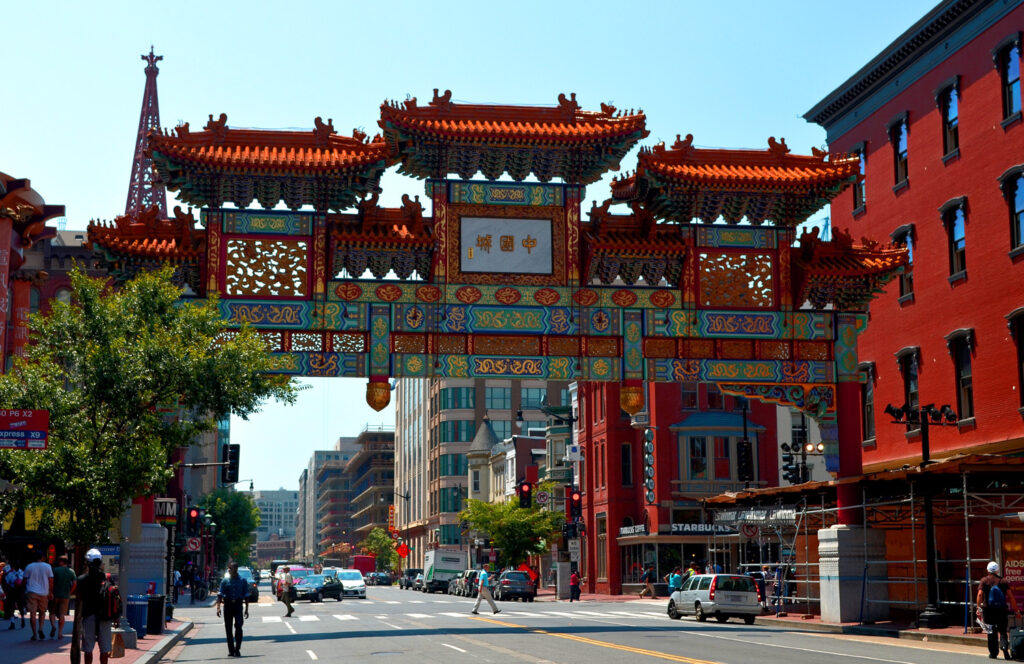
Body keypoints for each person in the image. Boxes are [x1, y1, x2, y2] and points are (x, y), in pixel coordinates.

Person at [79, 548, 119, 664]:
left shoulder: (82, 579)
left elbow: (79, 599)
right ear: (100, 561)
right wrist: (116, 617)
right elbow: (114, 597)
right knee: (104, 649)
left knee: (88, 649)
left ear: (87, 562)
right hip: (105, 616)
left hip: (88, 616)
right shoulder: (107, 577)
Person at [977, 561, 1022, 660]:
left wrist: (978, 607)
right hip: (1001, 610)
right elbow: (1011, 597)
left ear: (988, 570)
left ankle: (993, 653)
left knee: (991, 631)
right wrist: (1017, 611)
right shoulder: (1003, 581)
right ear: (997, 570)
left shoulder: (984, 581)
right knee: (1002, 631)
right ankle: (1005, 648)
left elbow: (980, 594)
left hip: (988, 610)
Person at [216, 562, 251, 657]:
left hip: (238, 605)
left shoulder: (243, 580)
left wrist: (247, 610)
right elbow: (220, 595)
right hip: (228, 605)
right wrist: (218, 608)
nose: (229, 570)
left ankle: (237, 649)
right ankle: (231, 650)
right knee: (228, 628)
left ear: (235, 569)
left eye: (230, 568)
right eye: (228, 568)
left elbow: (246, 596)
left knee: (239, 626)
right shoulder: (225, 581)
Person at [24, 549, 53, 641]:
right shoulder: (47, 566)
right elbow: (51, 580)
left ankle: (35, 634)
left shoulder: (29, 566)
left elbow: (24, 580)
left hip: (32, 591)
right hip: (44, 592)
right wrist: (50, 591)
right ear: (42, 557)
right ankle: (40, 628)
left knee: (32, 613)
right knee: (42, 612)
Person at [49, 555, 76, 639]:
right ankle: (60, 633)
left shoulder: (55, 570)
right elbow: (75, 583)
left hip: (55, 594)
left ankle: (53, 625)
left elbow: (51, 581)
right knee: (62, 614)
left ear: (60, 562)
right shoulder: (71, 571)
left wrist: (50, 592)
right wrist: (70, 592)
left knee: (52, 612)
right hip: (65, 595)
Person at [3, 560, 26, 630]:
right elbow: (6, 582)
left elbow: (7, 582)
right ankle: (17, 621)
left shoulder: (18, 573)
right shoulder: (17, 573)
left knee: (16, 607)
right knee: (16, 606)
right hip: (16, 591)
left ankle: (18, 621)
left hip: (16, 591)